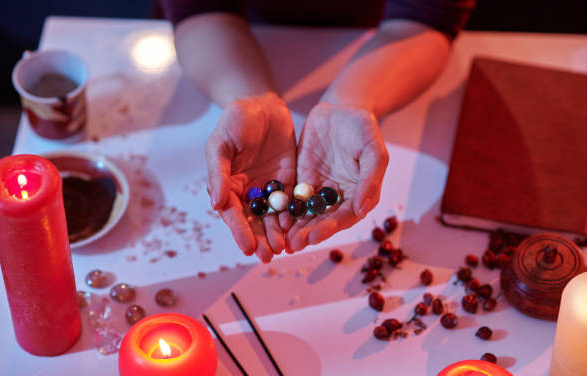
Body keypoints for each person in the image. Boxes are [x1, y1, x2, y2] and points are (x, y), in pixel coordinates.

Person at [160, 0, 475, 263]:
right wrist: (249, 98)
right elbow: (199, 11)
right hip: (230, 45)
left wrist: (353, 101)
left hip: (375, 37)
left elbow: (427, 18)